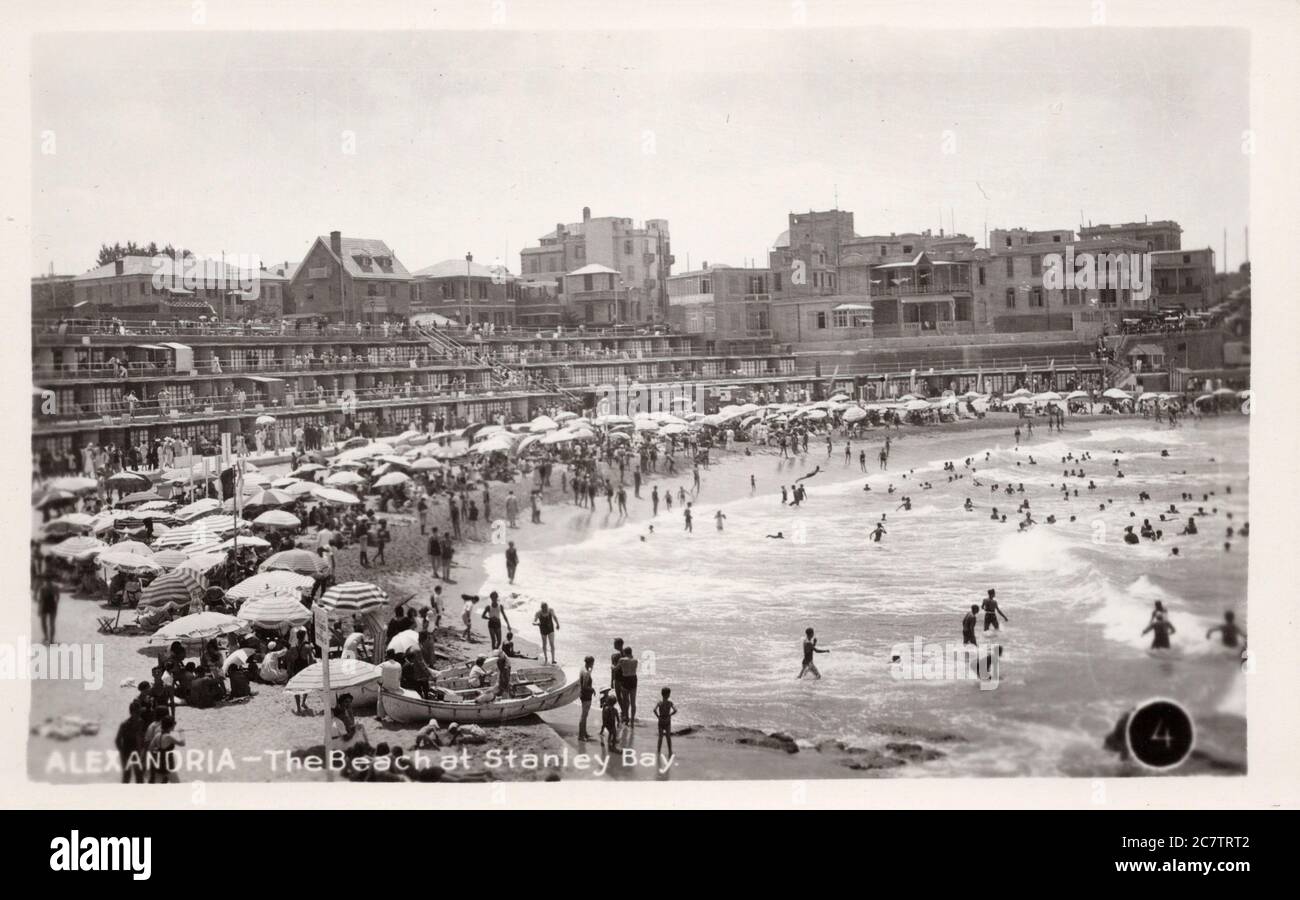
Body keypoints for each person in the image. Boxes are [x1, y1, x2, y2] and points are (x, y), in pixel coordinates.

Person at [654, 687, 677, 761]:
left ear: (662, 694)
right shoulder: (670, 703)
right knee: (668, 737)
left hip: (661, 721)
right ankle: (670, 751)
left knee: (660, 737)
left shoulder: (659, 702)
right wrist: (670, 715)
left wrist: (658, 717)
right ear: (668, 695)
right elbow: (675, 710)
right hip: (667, 721)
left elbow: (654, 710)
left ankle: (658, 751)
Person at [34, 574, 59, 644]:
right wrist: (56, 605)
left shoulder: (43, 588)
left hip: (44, 606)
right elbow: (57, 598)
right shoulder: (55, 587)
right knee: (52, 624)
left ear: (45, 580)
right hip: (52, 606)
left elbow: (40, 600)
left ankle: (46, 637)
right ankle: (51, 639)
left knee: (44, 623)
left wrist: (39, 609)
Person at [577, 656, 596, 741]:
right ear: (590, 663)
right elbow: (585, 686)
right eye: (593, 663)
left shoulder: (583, 669)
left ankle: (584, 732)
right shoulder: (586, 672)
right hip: (586, 695)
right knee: (584, 715)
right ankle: (581, 735)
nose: (593, 665)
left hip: (583, 694)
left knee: (585, 715)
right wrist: (592, 689)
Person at [619, 646, 639, 722]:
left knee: (625, 701)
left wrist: (612, 667)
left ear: (624, 653)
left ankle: (626, 717)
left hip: (625, 679)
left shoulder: (622, 660)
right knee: (633, 702)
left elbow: (617, 668)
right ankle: (632, 721)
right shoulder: (635, 660)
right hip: (633, 679)